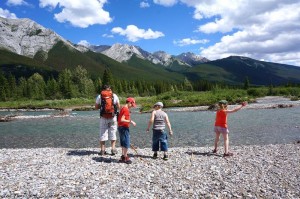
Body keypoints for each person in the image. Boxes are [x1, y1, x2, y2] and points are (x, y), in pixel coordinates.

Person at [95, 85, 120, 156]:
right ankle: (113, 149)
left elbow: (96, 107)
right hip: (113, 117)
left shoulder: (100, 96)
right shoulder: (114, 95)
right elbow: (118, 106)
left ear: (103, 89)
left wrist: (102, 106)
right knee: (113, 131)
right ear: (110, 89)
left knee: (103, 132)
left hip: (103, 117)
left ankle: (102, 150)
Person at [118, 97, 137, 164]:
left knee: (123, 142)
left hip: (120, 127)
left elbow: (120, 119)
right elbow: (122, 119)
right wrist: (131, 121)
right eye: (132, 105)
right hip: (124, 128)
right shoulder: (126, 109)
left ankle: (123, 156)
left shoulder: (123, 108)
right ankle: (126, 157)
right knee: (126, 142)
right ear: (129, 102)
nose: (132, 106)